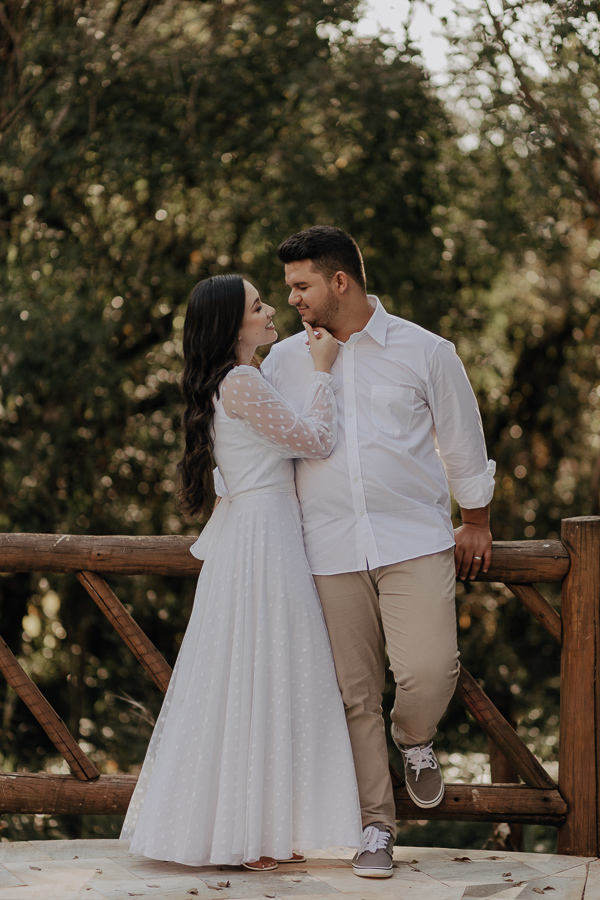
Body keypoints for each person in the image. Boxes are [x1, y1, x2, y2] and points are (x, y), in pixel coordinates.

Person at [251, 226, 495, 879]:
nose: (293, 299)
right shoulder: (283, 363)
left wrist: (476, 520)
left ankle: (415, 739)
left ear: (339, 282)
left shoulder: (426, 351)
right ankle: (375, 829)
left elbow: (462, 442)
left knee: (429, 670)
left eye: (300, 286)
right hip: (326, 548)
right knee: (355, 695)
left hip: (413, 538)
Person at [121, 273, 362, 870]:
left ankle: (254, 829)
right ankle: (252, 835)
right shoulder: (243, 382)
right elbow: (314, 441)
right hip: (263, 539)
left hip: (257, 533)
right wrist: (325, 370)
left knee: (253, 677)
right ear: (234, 325)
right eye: (259, 305)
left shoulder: (226, 383)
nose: (272, 308)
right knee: (264, 674)